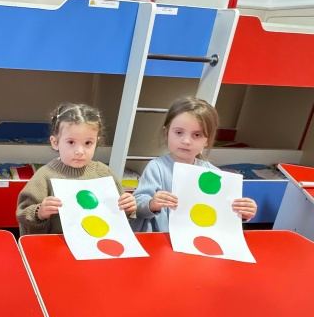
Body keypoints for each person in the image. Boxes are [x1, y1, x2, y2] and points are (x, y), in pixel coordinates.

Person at [130, 95, 257, 232]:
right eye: (179, 132)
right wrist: (151, 204)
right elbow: (137, 204)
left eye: (197, 135)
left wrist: (243, 213)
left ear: (207, 140)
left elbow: (222, 209)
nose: (186, 141)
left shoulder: (213, 173)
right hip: (160, 236)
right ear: (167, 133)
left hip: (195, 236)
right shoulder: (157, 167)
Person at [16, 102, 136, 235]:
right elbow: (23, 213)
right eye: (71, 142)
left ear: (97, 142)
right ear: (55, 142)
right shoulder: (45, 175)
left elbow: (118, 215)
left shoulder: (103, 172)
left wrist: (128, 208)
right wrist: (39, 212)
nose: (79, 151)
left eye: (88, 143)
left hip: (95, 243)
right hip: (57, 243)